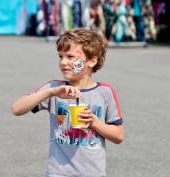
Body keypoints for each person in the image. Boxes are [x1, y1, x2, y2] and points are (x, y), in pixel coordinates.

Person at [11, 29, 124, 177]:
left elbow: (119, 136)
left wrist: (94, 123)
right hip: (58, 172)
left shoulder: (104, 92)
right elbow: (16, 109)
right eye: (60, 56)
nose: (63, 62)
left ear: (92, 61)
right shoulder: (54, 88)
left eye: (70, 56)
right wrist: (50, 93)